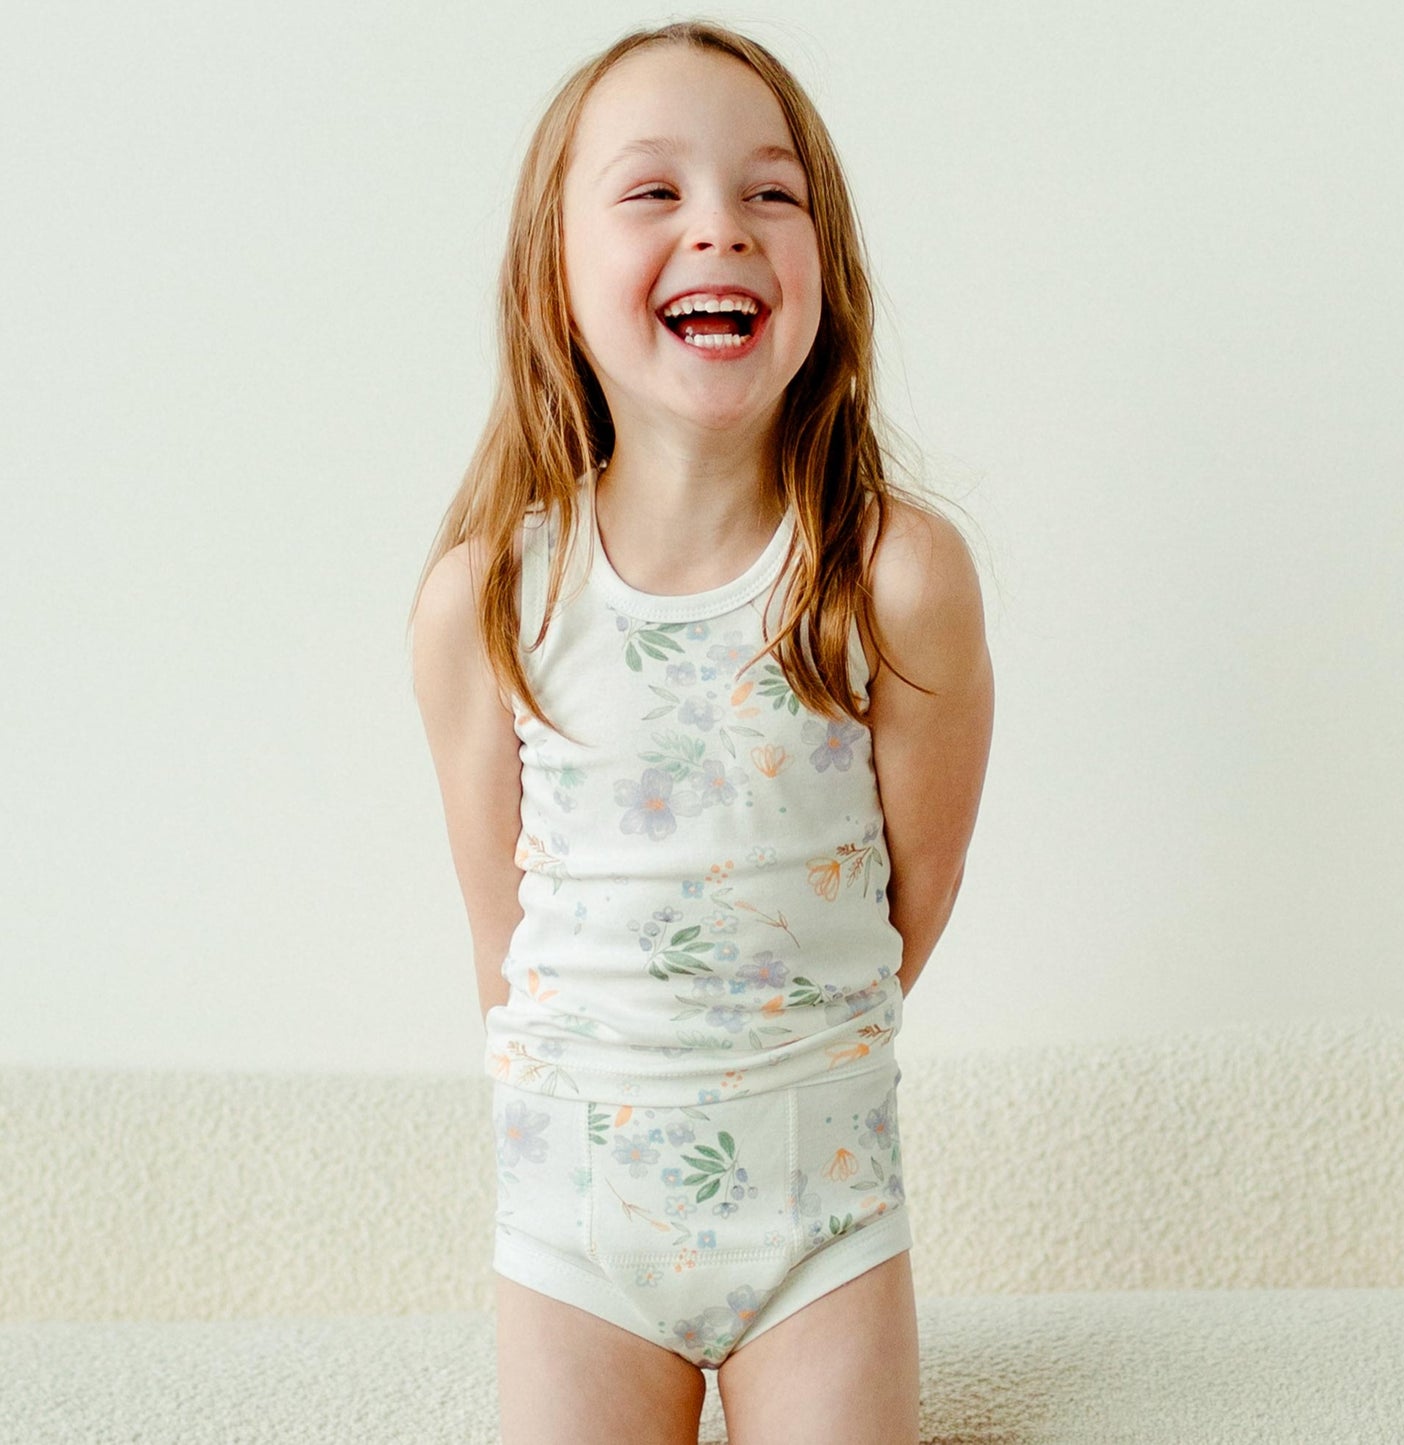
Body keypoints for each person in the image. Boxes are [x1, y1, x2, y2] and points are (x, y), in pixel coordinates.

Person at [409, 19, 993, 1443]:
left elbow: (909, 901)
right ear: (555, 274)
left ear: (825, 273)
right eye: (654, 191)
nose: (720, 226)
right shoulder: (489, 600)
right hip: (578, 1218)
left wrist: (772, 1055)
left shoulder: (892, 579)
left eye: (770, 192)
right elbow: (506, 942)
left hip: (819, 1203)